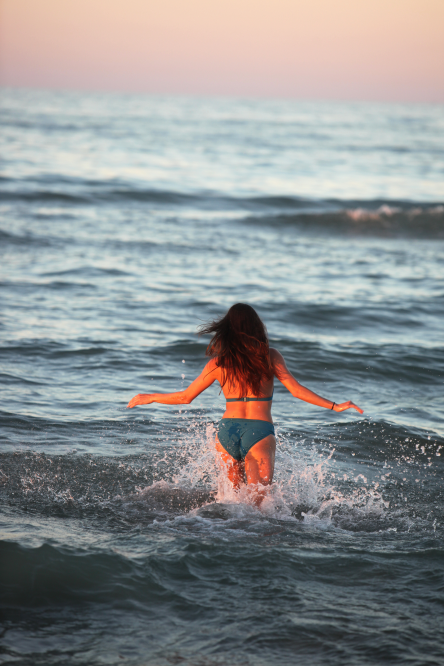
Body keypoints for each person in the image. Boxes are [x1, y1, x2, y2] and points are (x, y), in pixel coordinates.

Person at [127, 303, 363, 497]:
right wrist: (335, 406)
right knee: (259, 509)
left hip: (226, 433)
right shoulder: (269, 357)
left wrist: (149, 397)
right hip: (259, 433)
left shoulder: (218, 364)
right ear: (256, 327)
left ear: (227, 330)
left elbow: (186, 397)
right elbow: (296, 390)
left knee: (233, 504)